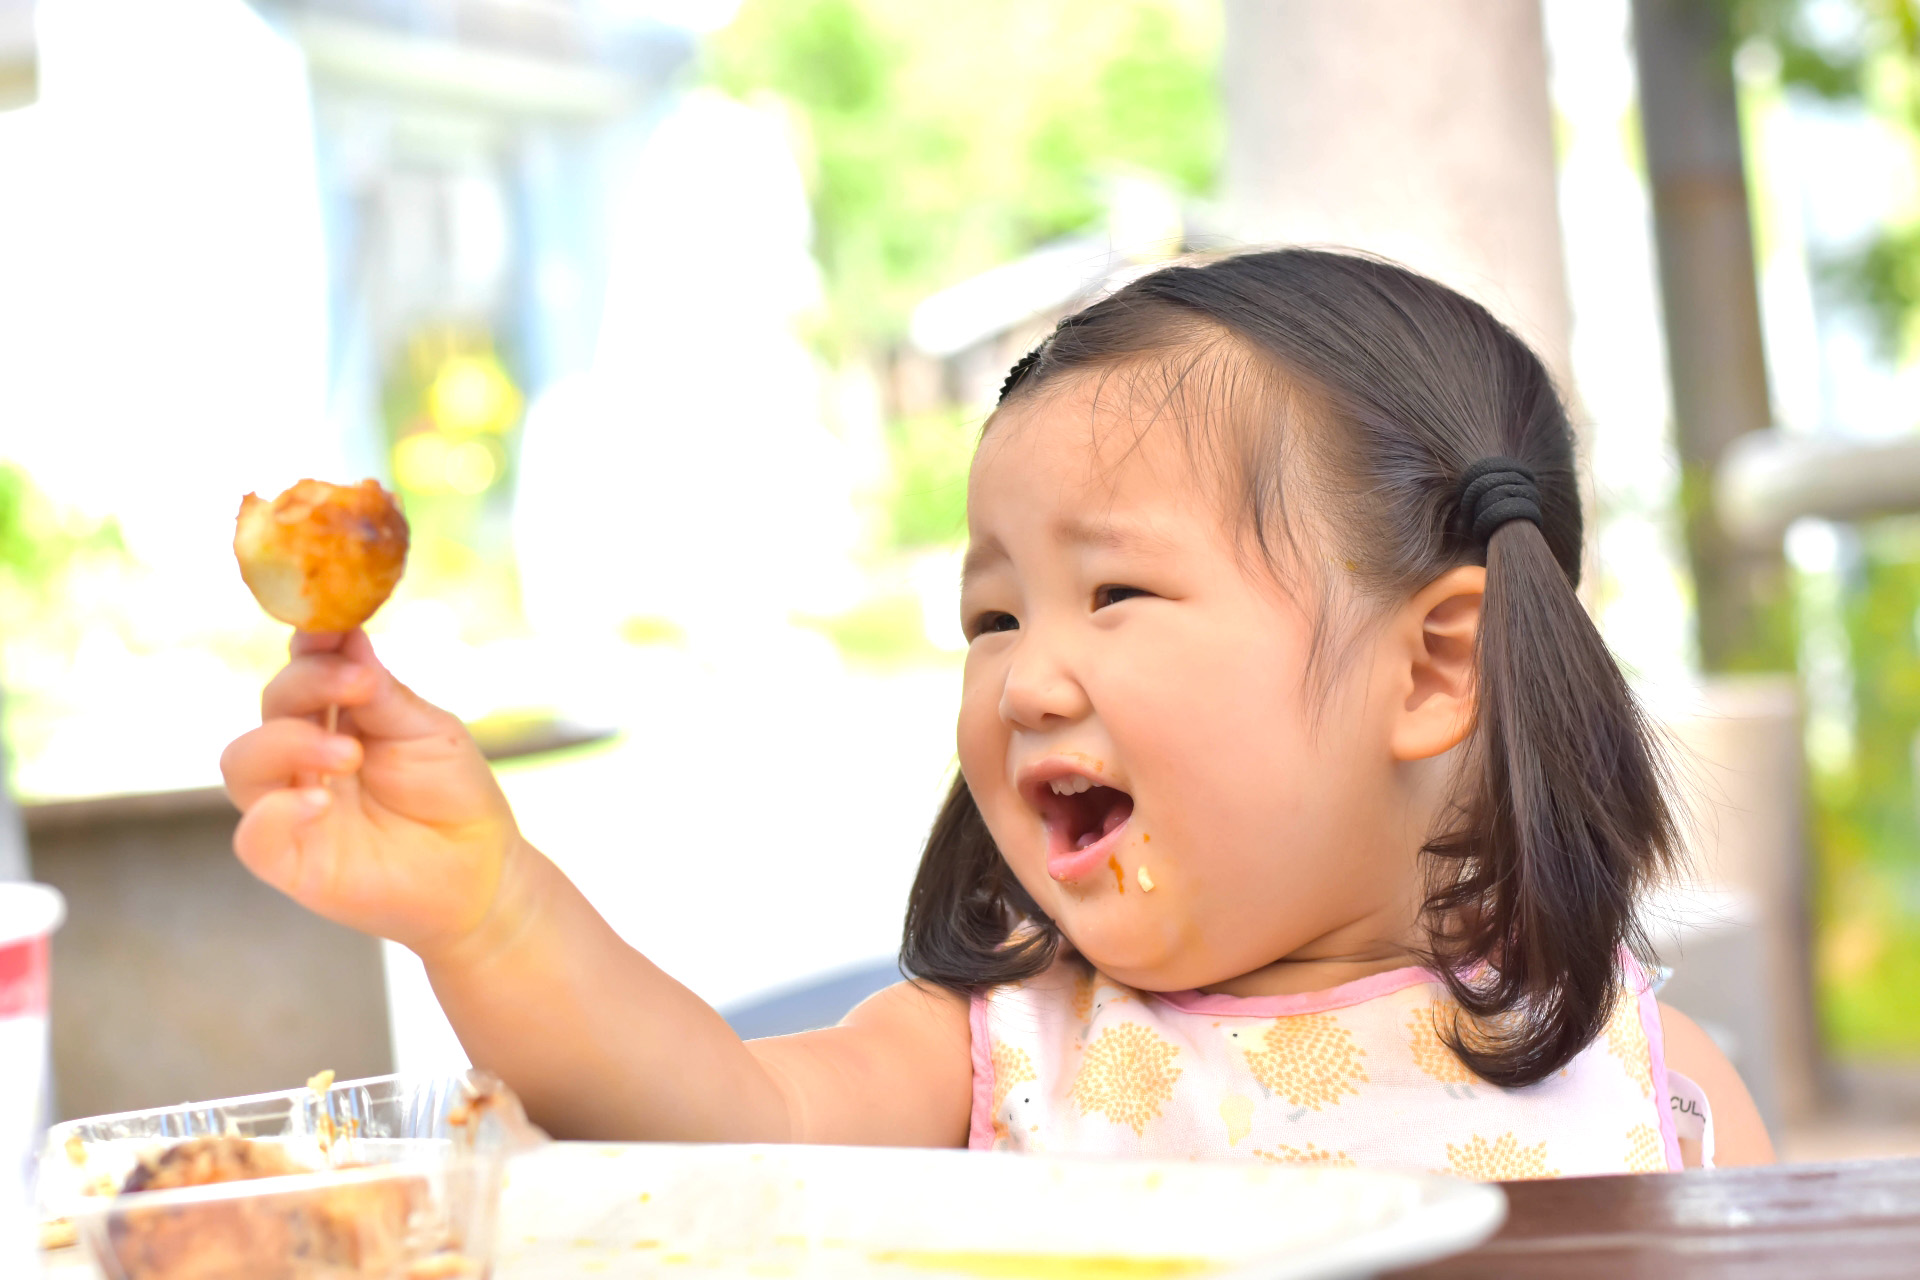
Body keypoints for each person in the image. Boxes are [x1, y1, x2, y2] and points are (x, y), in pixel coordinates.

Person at [220, 249, 1771, 1175]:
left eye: (1119, 597)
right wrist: (488, 915)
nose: (1027, 677)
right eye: (992, 615)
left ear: (1432, 669)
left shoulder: (1653, 1088)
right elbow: (720, 1116)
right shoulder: (1007, 1052)